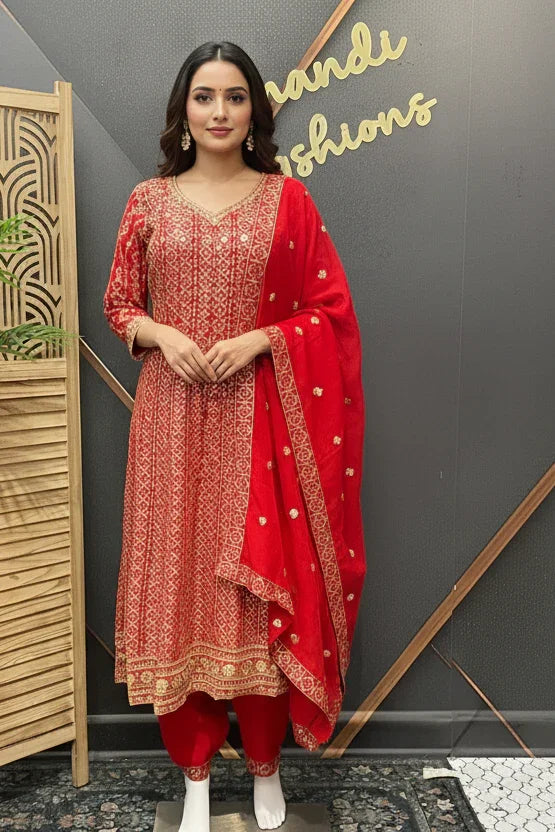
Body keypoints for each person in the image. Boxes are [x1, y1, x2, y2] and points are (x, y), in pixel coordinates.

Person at [103, 40, 367, 832]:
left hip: (262, 422)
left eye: (234, 97)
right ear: (182, 111)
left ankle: (263, 769)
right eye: (204, 97)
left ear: (255, 111)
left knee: (252, 598)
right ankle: (191, 778)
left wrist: (261, 340)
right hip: (171, 422)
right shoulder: (148, 201)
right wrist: (159, 333)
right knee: (178, 592)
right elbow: (119, 305)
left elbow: (328, 313)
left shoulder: (289, 200)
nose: (218, 112)